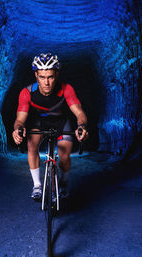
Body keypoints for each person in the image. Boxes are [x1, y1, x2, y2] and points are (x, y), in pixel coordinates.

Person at [12, 53, 89, 200]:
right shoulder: (27, 92)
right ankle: (37, 186)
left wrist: (82, 127)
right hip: (39, 122)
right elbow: (20, 119)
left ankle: (64, 181)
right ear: (36, 75)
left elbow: (79, 113)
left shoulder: (66, 89)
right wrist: (18, 129)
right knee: (31, 144)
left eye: (50, 77)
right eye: (42, 77)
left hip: (61, 122)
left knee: (64, 154)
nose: (46, 82)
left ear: (57, 74)